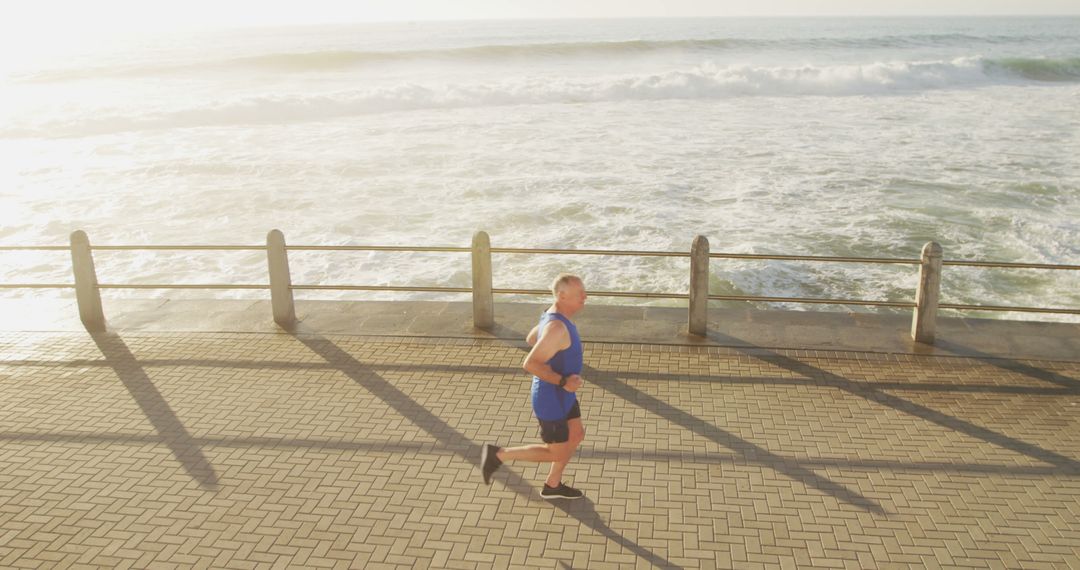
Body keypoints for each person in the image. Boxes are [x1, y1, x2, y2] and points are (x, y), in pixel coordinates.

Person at [481, 273, 588, 499]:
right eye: (580, 293)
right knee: (555, 452)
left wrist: (552, 348)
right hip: (552, 400)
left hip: (564, 395)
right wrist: (563, 380)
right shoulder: (557, 327)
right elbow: (529, 363)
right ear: (561, 295)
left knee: (576, 435)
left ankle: (553, 485)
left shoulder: (553, 316)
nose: (585, 297)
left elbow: (531, 339)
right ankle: (498, 455)